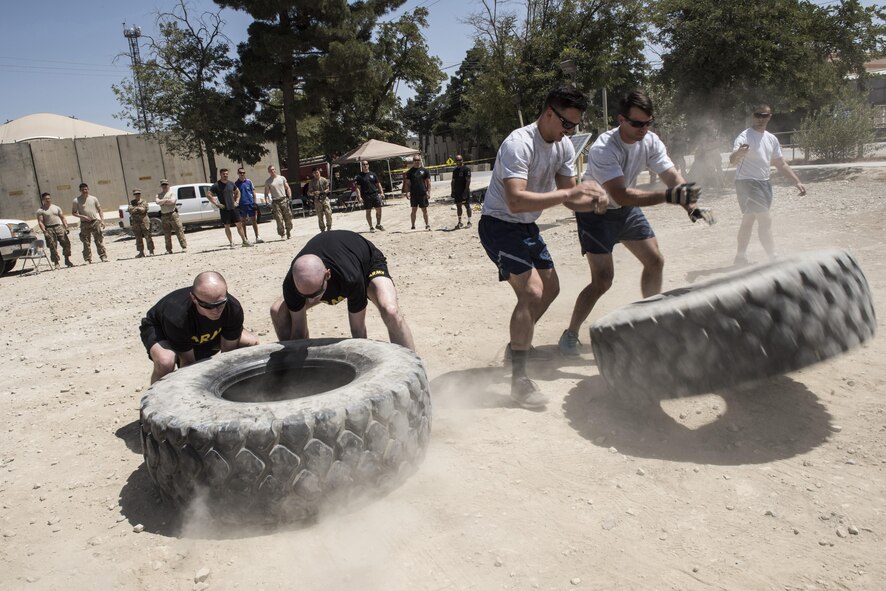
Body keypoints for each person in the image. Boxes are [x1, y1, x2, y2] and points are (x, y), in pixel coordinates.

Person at [478, 86, 608, 409]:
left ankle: (516, 347)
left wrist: (596, 200)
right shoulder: (518, 145)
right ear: (549, 112)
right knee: (532, 292)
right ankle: (518, 382)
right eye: (567, 124)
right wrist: (567, 196)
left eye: (575, 127)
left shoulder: (562, 147)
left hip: (525, 226)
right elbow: (516, 199)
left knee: (551, 288)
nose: (570, 132)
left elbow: (570, 195)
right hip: (498, 223)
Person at [559, 89, 702, 357]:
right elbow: (621, 193)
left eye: (648, 123)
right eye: (637, 123)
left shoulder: (650, 140)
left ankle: (649, 322)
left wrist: (690, 206)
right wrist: (670, 197)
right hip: (596, 213)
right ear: (620, 120)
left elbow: (671, 175)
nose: (643, 129)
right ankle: (571, 333)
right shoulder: (604, 148)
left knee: (655, 261)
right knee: (602, 281)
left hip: (626, 211)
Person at [270, 230, 415, 351]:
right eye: (304, 296)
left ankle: (413, 366)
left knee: (391, 311)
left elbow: (359, 332)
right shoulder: (291, 284)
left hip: (367, 263)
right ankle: (294, 372)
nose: (312, 301)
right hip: (333, 266)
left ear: (327, 275)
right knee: (278, 311)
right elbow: (299, 333)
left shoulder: (350, 277)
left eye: (315, 295)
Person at [140, 271, 259, 384]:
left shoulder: (233, 308)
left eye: (220, 304)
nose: (216, 311)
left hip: (207, 333)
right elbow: (187, 363)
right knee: (165, 361)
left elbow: (228, 355)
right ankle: (157, 401)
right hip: (164, 330)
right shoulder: (178, 316)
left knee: (251, 343)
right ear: (194, 299)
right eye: (208, 306)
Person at [730, 104, 806, 265]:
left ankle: (740, 256)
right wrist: (738, 153)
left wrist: (796, 181)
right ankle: (773, 257)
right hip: (747, 183)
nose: (761, 119)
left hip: (764, 183)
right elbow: (732, 160)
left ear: (769, 117)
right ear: (753, 116)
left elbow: (780, 163)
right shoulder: (745, 137)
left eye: (764, 116)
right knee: (765, 220)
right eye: (758, 115)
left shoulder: (771, 139)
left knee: (748, 221)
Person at [208, 168, 251, 248]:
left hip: (233, 208)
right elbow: (208, 194)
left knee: (239, 225)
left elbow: (237, 191)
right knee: (227, 226)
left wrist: (237, 201)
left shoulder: (231, 183)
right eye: (224, 174)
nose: (225, 175)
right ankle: (231, 243)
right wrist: (217, 204)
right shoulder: (216, 185)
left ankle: (244, 241)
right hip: (224, 209)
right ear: (220, 174)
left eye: (226, 174)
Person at [71, 182, 107, 263]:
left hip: (95, 222)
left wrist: (102, 220)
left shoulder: (94, 199)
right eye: (83, 189)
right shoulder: (76, 200)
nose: (85, 191)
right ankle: (87, 259)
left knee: (99, 240)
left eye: (86, 189)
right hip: (84, 224)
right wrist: (83, 217)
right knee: (86, 242)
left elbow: (100, 210)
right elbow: (73, 212)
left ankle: (103, 256)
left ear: (88, 189)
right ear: (80, 190)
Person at [36, 192, 73, 268]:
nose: (48, 200)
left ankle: (67, 259)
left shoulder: (56, 207)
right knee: (52, 246)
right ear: (43, 199)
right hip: (49, 228)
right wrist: (44, 231)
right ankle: (56, 262)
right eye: (46, 199)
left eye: (49, 198)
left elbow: (62, 217)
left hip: (58, 227)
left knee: (66, 243)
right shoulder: (40, 210)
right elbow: (40, 222)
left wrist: (66, 226)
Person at [155, 180, 187, 254]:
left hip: (173, 214)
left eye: (166, 184)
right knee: (167, 233)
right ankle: (168, 249)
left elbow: (172, 202)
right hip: (164, 215)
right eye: (163, 185)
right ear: (161, 186)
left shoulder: (172, 193)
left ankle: (184, 247)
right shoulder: (158, 194)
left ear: (168, 185)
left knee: (179, 231)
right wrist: (166, 200)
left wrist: (162, 201)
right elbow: (157, 202)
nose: (164, 186)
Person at [354, 160, 385, 232]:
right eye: (364, 164)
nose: (365, 165)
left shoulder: (373, 174)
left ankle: (378, 224)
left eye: (366, 164)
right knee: (368, 212)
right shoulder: (359, 176)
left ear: (368, 165)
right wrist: (359, 197)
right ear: (362, 166)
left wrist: (382, 192)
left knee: (379, 210)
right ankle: (371, 227)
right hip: (366, 196)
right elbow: (358, 187)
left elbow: (378, 184)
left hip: (375, 194)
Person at [402, 155, 432, 230]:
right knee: (414, 210)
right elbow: (407, 183)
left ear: (420, 160)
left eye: (418, 160)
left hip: (422, 193)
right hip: (414, 194)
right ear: (413, 161)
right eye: (415, 160)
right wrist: (407, 192)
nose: (416, 161)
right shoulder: (410, 172)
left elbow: (428, 182)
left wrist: (428, 192)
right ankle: (413, 225)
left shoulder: (424, 170)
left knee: (424, 210)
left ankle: (427, 224)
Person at [264, 164, 293, 240]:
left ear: (275, 170)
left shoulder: (282, 178)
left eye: (273, 169)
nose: (272, 171)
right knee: (279, 219)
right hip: (275, 202)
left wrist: (290, 197)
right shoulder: (268, 181)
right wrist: (267, 201)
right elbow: (266, 193)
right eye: (270, 170)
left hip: (284, 200)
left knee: (288, 217)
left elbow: (287, 188)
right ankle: (282, 234)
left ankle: (288, 231)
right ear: (268, 172)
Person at [235, 168, 263, 244]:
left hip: (250, 204)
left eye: (243, 172)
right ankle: (245, 238)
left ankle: (257, 236)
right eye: (240, 172)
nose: (242, 174)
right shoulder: (236, 184)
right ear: (238, 173)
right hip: (241, 205)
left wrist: (254, 203)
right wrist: (236, 204)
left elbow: (253, 193)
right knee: (243, 222)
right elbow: (235, 194)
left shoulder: (249, 182)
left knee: (254, 220)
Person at [127, 189, 155, 258]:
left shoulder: (144, 201)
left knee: (148, 236)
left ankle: (151, 251)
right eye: (136, 194)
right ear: (134, 195)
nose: (137, 195)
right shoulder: (132, 202)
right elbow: (130, 210)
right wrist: (138, 208)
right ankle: (141, 252)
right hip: (136, 222)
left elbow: (143, 210)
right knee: (138, 237)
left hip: (144, 222)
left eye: (138, 194)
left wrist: (136, 208)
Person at [308, 166, 333, 232]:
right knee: (320, 216)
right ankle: (322, 229)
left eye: (317, 172)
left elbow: (328, 189)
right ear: (313, 174)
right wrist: (313, 193)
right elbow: (309, 192)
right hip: (317, 200)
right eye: (315, 173)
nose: (316, 174)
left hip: (325, 199)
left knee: (328, 213)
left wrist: (322, 192)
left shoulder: (324, 180)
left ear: (319, 172)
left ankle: (329, 227)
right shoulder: (311, 182)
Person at [450, 154, 472, 228]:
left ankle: (469, 221)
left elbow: (468, 181)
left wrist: (466, 191)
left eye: (460, 160)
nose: (459, 161)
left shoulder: (466, 169)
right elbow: (453, 181)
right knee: (458, 206)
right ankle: (459, 222)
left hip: (464, 191)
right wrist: (452, 191)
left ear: (462, 160)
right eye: (457, 160)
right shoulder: (455, 170)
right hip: (457, 192)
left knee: (467, 206)